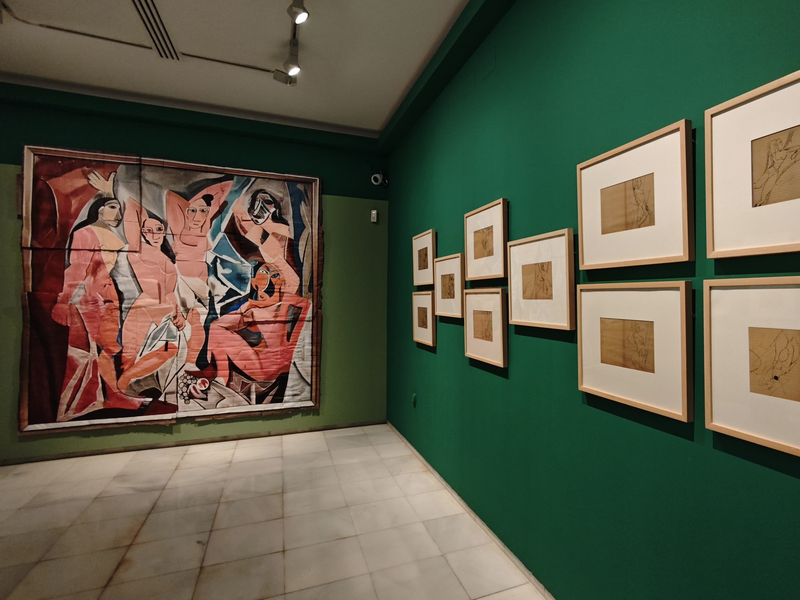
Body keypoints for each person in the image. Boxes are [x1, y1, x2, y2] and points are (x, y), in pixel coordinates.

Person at [51, 173, 145, 420]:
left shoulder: (113, 235)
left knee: (110, 348)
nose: (117, 212)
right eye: (112, 207)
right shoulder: (85, 233)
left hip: (109, 298)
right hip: (89, 300)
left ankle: (113, 396)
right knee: (92, 350)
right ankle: (85, 402)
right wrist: (63, 300)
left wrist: (109, 193)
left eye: (118, 208)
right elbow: (77, 269)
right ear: (98, 210)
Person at [205, 259, 308, 401]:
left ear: (281, 280)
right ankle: (222, 378)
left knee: (217, 330)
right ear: (254, 282)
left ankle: (222, 379)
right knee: (217, 329)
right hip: (272, 364)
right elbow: (219, 324)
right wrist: (248, 312)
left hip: (272, 366)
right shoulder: (252, 307)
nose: (270, 274)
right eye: (264, 271)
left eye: (274, 272)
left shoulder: (291, 301)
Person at [117, 214, 187, 394]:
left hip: (163, 312)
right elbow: (132, 210)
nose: (154, 234)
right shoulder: (139, 251)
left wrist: (178, 313)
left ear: (164, 232)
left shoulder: (167, 257)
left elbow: (170, 292)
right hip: (144, 311)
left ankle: (130, 385)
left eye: (158, 229)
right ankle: (124, 385)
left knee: (171, 350)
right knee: (132, 356)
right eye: (148, 230)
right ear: (142, 233)